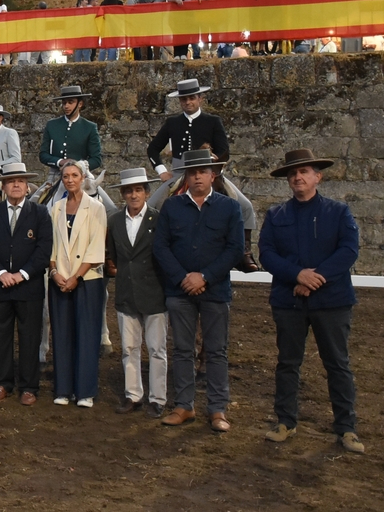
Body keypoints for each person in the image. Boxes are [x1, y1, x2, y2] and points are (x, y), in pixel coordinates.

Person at [258, 149, 364, 453]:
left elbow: (348, 250)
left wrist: (315, 278)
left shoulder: (338, 211)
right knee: (287, 363)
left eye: (304, 171)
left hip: (332, 300)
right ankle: (285, 421)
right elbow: (267, 254)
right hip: (289, 301)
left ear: (318, 176)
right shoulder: (276, 215)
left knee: (337, 364)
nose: (298, 177)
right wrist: (297, 275)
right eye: (293, 173)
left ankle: (347, 427)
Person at [153, 149, 244, 432]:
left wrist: (205, 276)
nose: (197, 177)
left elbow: (235, 249)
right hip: (180, 291)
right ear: (186, 176)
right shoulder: (171, 206)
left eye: (202, 172)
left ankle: (217, 408)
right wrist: (183, 277)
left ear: (212, 174)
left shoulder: (230, 207)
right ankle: (184, 405)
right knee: (182, 349)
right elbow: (161, 246)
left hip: (215, 290)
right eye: (192, 173)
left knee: (216, 351)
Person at [146, 78, 258, 270]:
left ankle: (244, 252)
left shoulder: (213, 121)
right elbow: (153, 149)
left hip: (208, 169)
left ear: (200, 98)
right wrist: (162, 171)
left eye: (191, 98)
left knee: (245, 206)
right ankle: (151, 250)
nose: (187, 102)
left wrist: (214, 165)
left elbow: (224, 150)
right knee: (150, 207)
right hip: (180, 171)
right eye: (184, 99)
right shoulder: (173, 122)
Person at [0, 163, 51, 406]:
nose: (16, 185)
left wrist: (22, 274)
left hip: (28, 288)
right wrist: (1, 273)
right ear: (4, 186)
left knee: (30, 338)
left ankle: (29, 387)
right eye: (11, 181)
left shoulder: (40, 213)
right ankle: (3, 383)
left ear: (27, 185)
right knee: (1, 337)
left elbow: (44, 250)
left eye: (20, 180)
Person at [105, 168, 167, 418]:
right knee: (129, 348)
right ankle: (133, 395)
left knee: (156, 349)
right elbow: (115, 257)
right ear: (123, 194)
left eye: (138, 190)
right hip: (127, 293)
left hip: (154, 292)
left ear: (147, 192)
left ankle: (158, 398)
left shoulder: (159, 219)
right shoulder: (115, 222)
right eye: (129, 191)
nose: (133, 195)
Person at [47, 160, 107, 408]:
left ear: (82, 178)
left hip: (87, 281)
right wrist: (54, 273)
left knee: (87, 335)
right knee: (61, 334)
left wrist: (76, 277)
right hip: (60, 280)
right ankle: (63, 388)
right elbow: (51, 246)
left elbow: (95, 247)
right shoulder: (57, 208)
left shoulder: (96, 208)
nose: (69, 180)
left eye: (74, 175)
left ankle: (85, 391)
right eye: (65, 176)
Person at [38, 85, 102, 178]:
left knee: (100, 193)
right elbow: (43, 155)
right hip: (56, 174)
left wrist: (78, 166)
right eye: (64, 103)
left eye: (70, 102)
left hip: (81, 175)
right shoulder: (52, 125)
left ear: (80, 104)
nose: (66, 106)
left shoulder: (90, 127)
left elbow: (96, 159)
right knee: (39, 193)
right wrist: (60, 162)